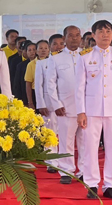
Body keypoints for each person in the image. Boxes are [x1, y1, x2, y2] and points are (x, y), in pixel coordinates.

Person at [76, 20, 112, 199]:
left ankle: (110, 185)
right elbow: (79, 87)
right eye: (101, 32)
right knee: (90, 148)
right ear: (93, 35)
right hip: (91, 110)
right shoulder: (85, 56)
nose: (105, 35)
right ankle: (92, 184)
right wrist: (81, 111)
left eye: (108, 31)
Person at [45, 25, 83, 184]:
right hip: (65, 107)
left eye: (77, 35)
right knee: (66, 140)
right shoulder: (56, 57)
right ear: (64, 38)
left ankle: (84, 170)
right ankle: (66, 171)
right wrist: (56, 104)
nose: (74, 38)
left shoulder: (87, 55)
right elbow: (50, 83)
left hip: (86, 107)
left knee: (85, 141)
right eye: (70, 35)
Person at [34, 37, 62, 173]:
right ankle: (51, 161)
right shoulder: (42, 63)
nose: (58, 46)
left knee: (63, 133)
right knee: (49, 132)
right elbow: (38, 86)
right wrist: (41, 104)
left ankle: (64, 160)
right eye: (55, 44)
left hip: (65, 103)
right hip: (48, 103)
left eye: (61, 44)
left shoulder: (68, 60)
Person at [13, 41, 35, 105]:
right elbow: (17, 84)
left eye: (34, 50)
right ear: (26, 52)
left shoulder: (42, 63)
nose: (32, 52)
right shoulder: (21, 65)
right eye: (29, 50)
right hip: (24, 95)